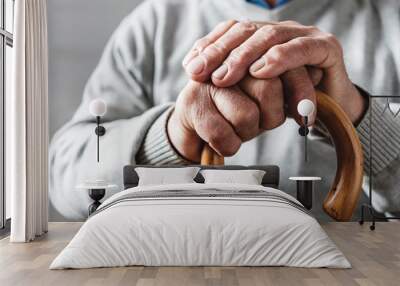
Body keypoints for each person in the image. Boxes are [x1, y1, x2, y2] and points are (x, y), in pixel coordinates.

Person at [49, 0, 400, 221]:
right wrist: (169, 139)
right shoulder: (154, 22)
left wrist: (359, 119)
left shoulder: (392, 20)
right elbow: (64, 179)